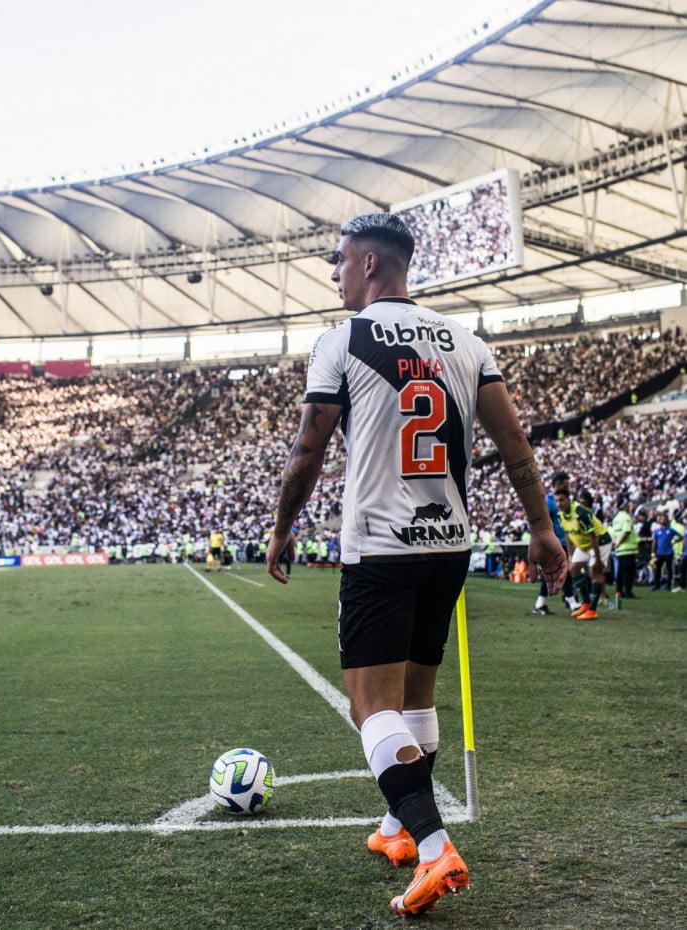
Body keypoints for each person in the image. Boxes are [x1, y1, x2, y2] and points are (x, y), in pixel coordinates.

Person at [266, 212, 567, 917]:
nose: (335, 275)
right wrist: (540, 527)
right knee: (416, 701)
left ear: (370, 264)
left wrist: (282, 527)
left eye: (339, 262)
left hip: (380, 544)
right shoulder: (465, 341)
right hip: (448, 546)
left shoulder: (342, 339)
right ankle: (398, 829)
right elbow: (515, 446)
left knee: (370, 706)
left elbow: (308, 451)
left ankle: (434, 848)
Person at [554, 487, 613, 620]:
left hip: (600, 541)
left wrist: (597, 559)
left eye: (562, 500)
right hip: (584, 544)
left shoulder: (580, 513)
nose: (559, 504)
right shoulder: (560, 515)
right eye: (557, 501)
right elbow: (567, 534)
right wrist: (569, 555)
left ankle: (592, 610)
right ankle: (585, 603)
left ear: (569, 499)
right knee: (573, 569)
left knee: (594, 571)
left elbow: (593, 536)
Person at [532, 469, 580, 615]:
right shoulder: (550, 502)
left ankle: (542, 604)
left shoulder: (565, 500)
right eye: (566, 485)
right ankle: (571, 602)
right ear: (558, 484)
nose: (568, 488)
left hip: (564, 542)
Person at [610, 497, 639, 599]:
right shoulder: (626, 517)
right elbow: (626, 532)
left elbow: (613, 533)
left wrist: (615, 544)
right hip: (628, 548)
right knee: (629, 572)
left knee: (620, 572)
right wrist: (619, 543)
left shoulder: (616, 518)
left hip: (619, 550)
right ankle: (628, 592)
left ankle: (619, 591)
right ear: (625, 506)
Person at [651, 511, 679, 591]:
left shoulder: (670, 530)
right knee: (657, 569)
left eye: (664, 519)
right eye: (661, 519)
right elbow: (654, 542)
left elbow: (680, 536)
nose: (662, 520)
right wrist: (653, 552)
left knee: (669, 569)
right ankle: (657, 585)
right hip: (660, 552)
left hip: (668, 552)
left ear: (667, 520)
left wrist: (674, 541)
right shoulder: (657, 531)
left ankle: (668, 585)